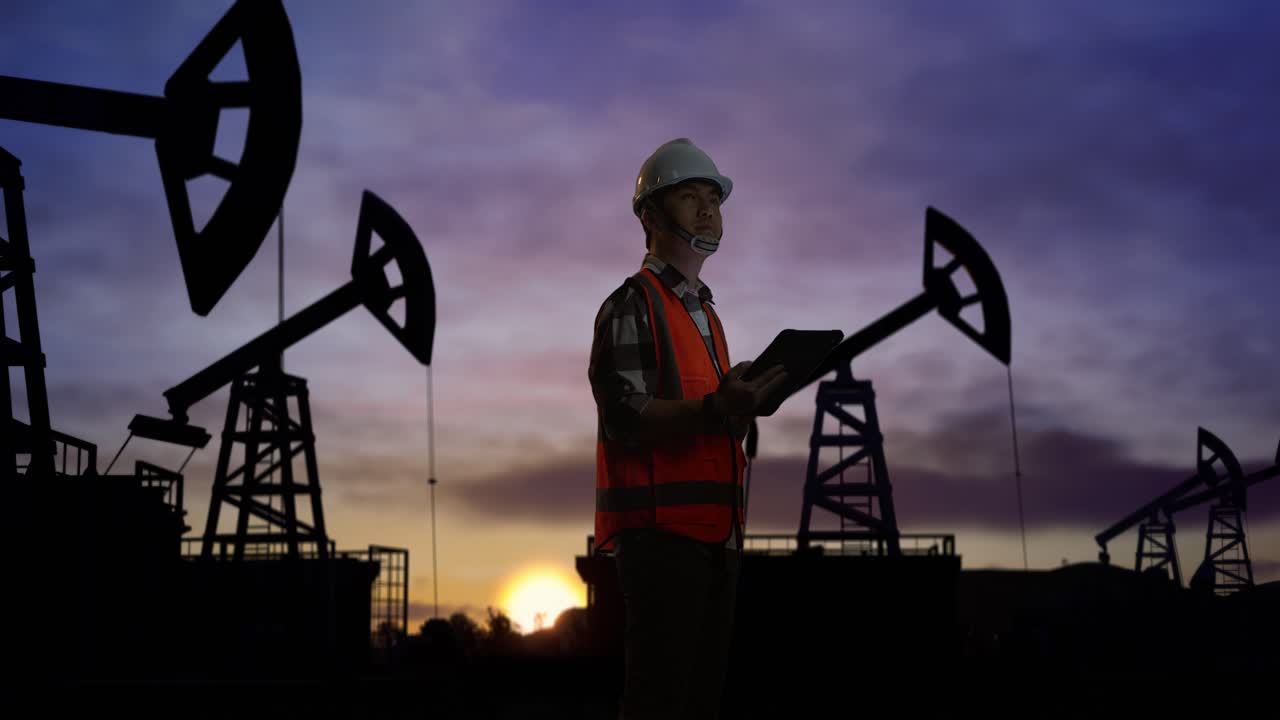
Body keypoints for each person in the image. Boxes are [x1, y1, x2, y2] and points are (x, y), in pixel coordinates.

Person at [588, 138, 788, 719]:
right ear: (649, 216)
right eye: (688, 197)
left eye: (714, 199)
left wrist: (740, 398)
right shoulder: (634, 303)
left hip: (715, 536)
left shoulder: (705, 315)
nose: (707, 210)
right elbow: (626, 413)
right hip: (662, 539)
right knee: (660, 703)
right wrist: (715, 408)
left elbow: (707, 412)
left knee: (697, 705)